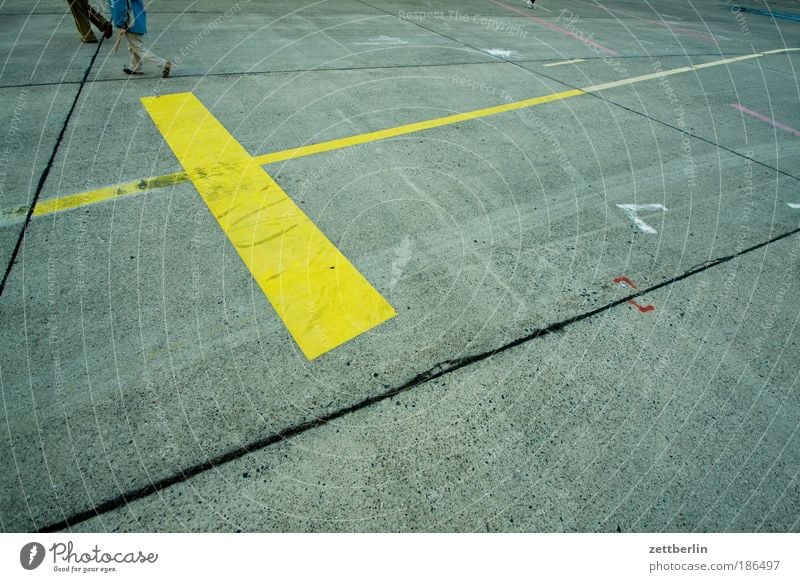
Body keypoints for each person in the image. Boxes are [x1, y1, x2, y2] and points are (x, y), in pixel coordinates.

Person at [108, 0, 172, 78]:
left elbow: (119, 8)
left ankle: (164, 64)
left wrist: (120, 24)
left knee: (138, 48)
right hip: (138, 18)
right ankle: (135, 68)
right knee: (133, 46)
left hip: (130, 21)